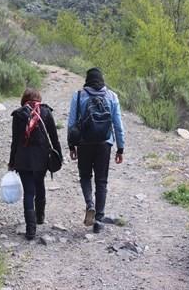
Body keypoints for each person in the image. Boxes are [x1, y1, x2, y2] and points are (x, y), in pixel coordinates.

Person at [67, 68, 125, 233]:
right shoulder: (112, 96)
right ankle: (99, 219)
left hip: (84, 143)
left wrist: (72, 145)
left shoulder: (78, 95)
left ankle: (89, 203)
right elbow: (118, 125)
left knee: (85, 176)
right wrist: (120, 148)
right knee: (101, 181)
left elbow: (71, 123)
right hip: (104, 144)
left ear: (87, 79)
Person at [8, 88, 63, 240]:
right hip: (41, 159)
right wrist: (59, 156)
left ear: (24, 99)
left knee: (28, 192)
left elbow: (15, 141)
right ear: (39, 98)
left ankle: (30, 230)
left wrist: (11, 161)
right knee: (40, 186)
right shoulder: (46, 112)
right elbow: (54, 138)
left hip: (23, 160)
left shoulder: (18, 114)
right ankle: (40, 217)